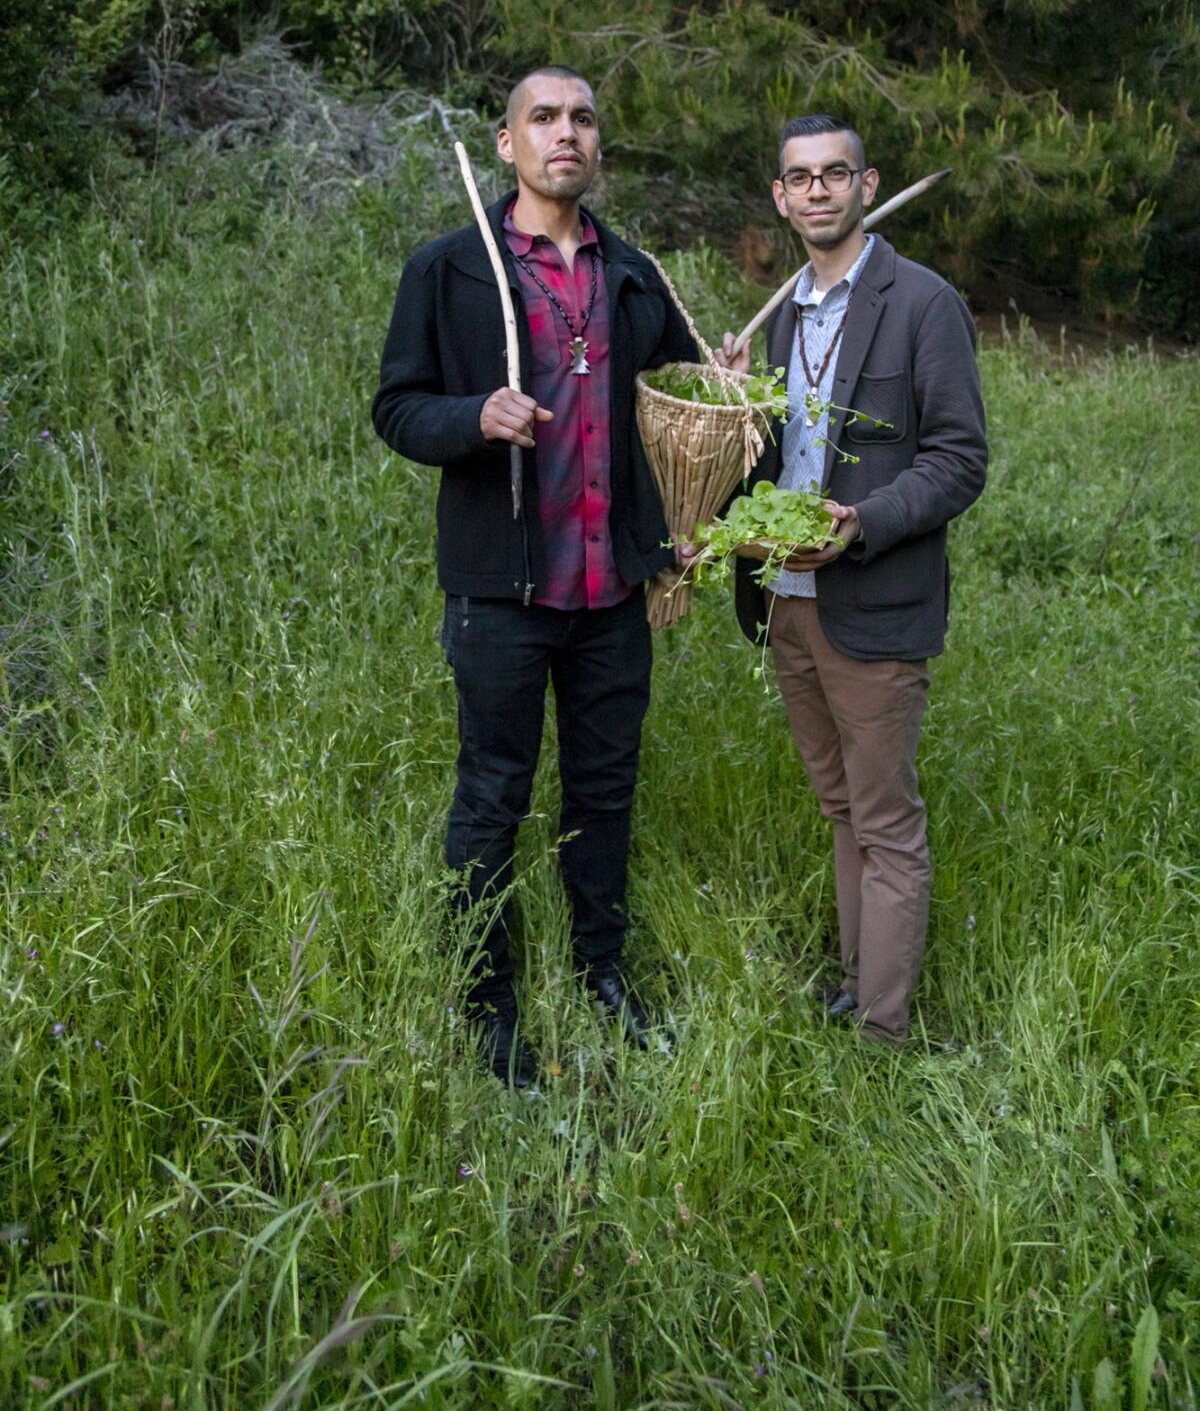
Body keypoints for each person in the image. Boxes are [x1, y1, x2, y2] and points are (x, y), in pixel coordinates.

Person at [372, 67, 698, 1086]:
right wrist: (475, 417)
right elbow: (397, 409)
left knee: (605, 793)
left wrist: (718, 381)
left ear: (598, 146)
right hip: (501, 595)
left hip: (613, 594)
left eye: (584, 118)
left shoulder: (636, 275)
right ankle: (488, 1005)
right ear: (508, 144)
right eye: (544, 118)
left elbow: (682, 410)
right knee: (493, 798)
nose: (568, 134)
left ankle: (604, 976)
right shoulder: (450, 270)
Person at [720, 114, 987, 1048]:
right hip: (787, 604)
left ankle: (884, 1031)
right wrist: (734, 405)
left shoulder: (921, 303)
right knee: (840, 807)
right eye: (800, 178)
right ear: (782, 198)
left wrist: (862, 525)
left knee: (884, 820)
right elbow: (773, 464)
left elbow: (960, 460)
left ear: (867, 186)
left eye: (838, 173)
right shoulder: (783, 313)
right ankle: (852, 986)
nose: (819, 190)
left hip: (870, 602)